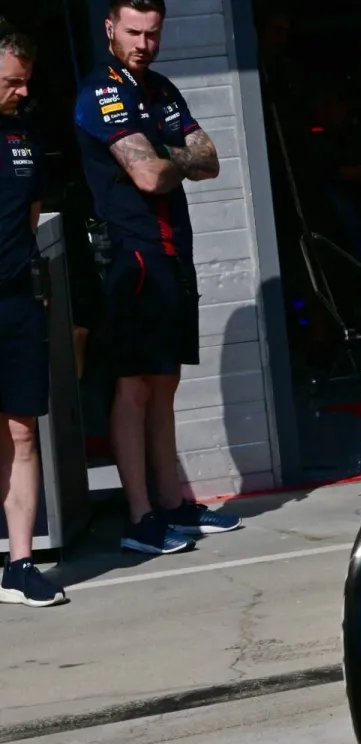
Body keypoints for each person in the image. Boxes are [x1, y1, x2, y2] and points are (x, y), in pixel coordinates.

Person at [74, 0, 241, 554]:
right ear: (109, 29)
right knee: (134, 385)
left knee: (165, 380)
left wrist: (169, 156)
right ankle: (140, 515)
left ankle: (172, 503)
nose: (143, 43)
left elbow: (210, 158)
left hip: (173, 248)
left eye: (152, 33)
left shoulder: (163, 89)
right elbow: (147, 175)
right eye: (132, 32)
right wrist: (175, 157)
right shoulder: (104, 90)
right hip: (129, 253)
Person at [0, 23, 66, 607]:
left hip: (15, 302)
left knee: (22, 432)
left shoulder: (23, 135)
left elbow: (31, 213)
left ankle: (20, 564)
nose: (21, 92)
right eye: (10, 82)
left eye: (24, 82)